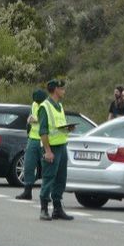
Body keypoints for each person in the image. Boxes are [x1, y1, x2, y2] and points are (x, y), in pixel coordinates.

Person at [38, 79, 76, 221]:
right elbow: (43, 131)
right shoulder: (45, 107)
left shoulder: (59, 105)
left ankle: (57, 208)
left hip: (62, 146)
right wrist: (48, 151)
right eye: (62, 88)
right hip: (52, 148)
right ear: (55, 90)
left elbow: (58, 127)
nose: (64, 91)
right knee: (48, 178)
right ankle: (43, 209)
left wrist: (68, 128)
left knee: (61, 178)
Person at [15, 88, 48, 200]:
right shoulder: (34, 104)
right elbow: (29, 118)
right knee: (28, 165)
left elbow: (42, 120)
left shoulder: (47, 105)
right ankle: (27, 191)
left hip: (44, 139)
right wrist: (32, 121)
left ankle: (46, 193)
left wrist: (35, 119)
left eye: (38, 101)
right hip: (33, 139)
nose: (37, 103)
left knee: (46, 167)